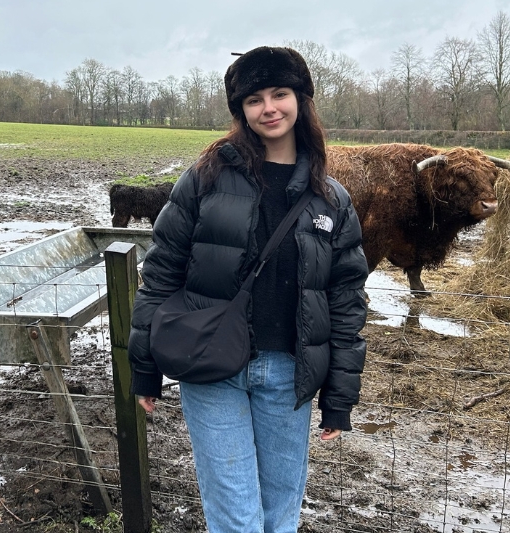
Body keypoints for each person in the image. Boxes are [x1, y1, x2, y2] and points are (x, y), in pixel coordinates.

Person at [127, 45, 368, 532]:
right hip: (211, 369)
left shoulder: (331, 199)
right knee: (236, 518)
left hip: (288, 375)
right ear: (241, 110)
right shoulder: (204, 179)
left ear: (301, 99)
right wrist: (145, 367)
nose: (269, 108)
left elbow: (346, 301)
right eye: (254, 99)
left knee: (280, 515)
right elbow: (161, 273)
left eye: (280, 93)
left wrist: (339, 397)